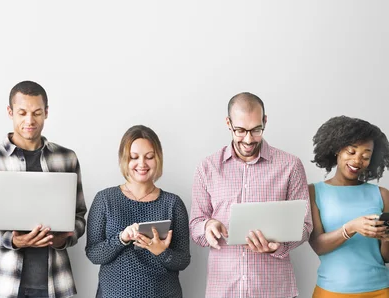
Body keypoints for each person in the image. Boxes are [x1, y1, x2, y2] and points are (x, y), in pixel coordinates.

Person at [0, 80, 87, 298]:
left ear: (46, 113)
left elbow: (79, 216)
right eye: (22, 112)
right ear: (10, 112)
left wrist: (64, 239)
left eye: (37, 113)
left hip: (53, 284)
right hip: (0, 284)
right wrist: (12, 241)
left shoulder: (67, 158)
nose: (29, 121)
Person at [189, 92, 313, 297]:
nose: (248, 139)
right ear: (228, 123)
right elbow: (195, 226)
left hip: (273, 290)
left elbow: (306, 226)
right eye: (240, 130)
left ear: (265, 121)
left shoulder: (290, 165)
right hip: (223, 290)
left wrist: (279, 247)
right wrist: (207, 226)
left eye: (256, 130)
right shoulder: (207, 167)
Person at [85, 125, 190, 298]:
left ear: (158, 159)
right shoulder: (105, 199)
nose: (142, 164)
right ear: (123, 159)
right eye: (134, 157)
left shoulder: (173, 203)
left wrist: (161, 251)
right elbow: (94, 254)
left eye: (149, 157)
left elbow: (183, 260)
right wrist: (122, 238)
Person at [309, 116, 389, 297]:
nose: (357, 161)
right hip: (331, 291)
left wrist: (386, 238)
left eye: (366, 156)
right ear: (337, 150)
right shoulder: (314, 192)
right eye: (351, 152)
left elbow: (386, 257)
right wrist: (351, 227)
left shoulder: (382, 194)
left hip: (380, 290)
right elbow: (318, 245)